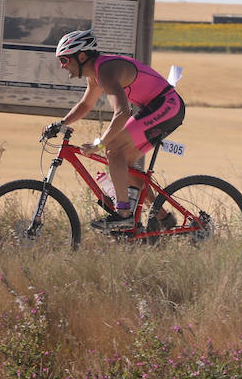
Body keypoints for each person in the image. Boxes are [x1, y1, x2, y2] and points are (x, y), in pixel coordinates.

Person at [45, 30, 185, 231]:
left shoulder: (105, 71)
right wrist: (62, 123)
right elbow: (86, 105)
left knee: (113, 148)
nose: (62, 65)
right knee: (122, 166)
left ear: (81, 56)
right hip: (160, 106)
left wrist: (99, 144)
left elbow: (122, 113)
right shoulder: (95, 74)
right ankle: (163, 219)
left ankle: (123, 214)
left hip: (167, 105)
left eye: (65, 59)